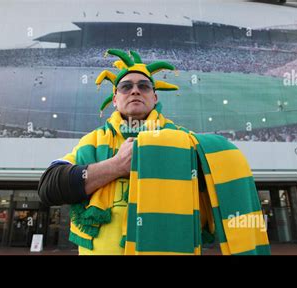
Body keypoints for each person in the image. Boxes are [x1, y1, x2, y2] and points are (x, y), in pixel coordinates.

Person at [38, 49, 270, 255]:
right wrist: (116, 165)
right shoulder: (91, 141)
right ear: (115, 99)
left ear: (154, 96)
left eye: (144, 86)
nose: (135, 91)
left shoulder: (185, 142)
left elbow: (217, 188)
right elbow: (48, 187)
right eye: (126, 87)